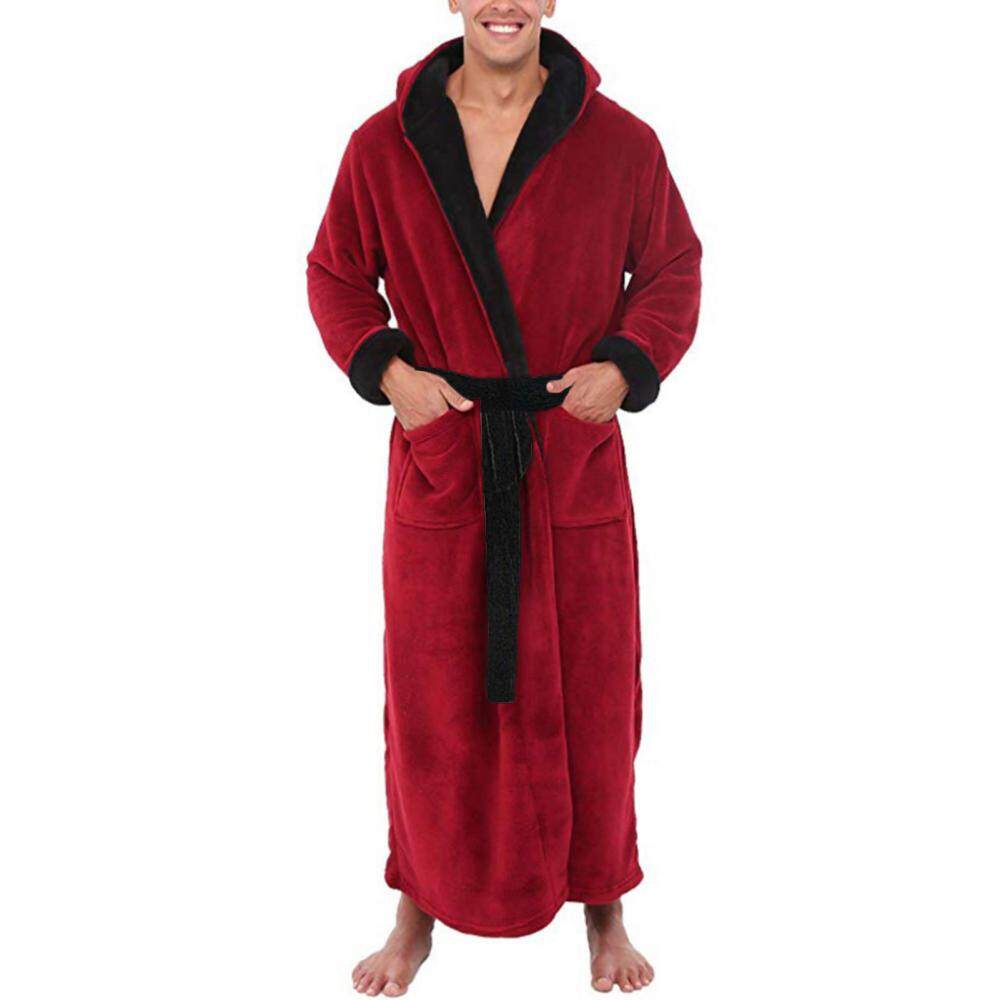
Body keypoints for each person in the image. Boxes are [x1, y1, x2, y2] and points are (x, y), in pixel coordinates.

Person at [306, 2, 701, 994]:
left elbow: (671, 268)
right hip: (448, 451)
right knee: (433, 695)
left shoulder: (621, 143)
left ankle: (603, 902)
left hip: (567, 449)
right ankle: (417, 905)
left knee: (595, 689)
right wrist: (392, 375)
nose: (504, 1)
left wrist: (625, 366)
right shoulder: (385, 146)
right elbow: (335, 275)